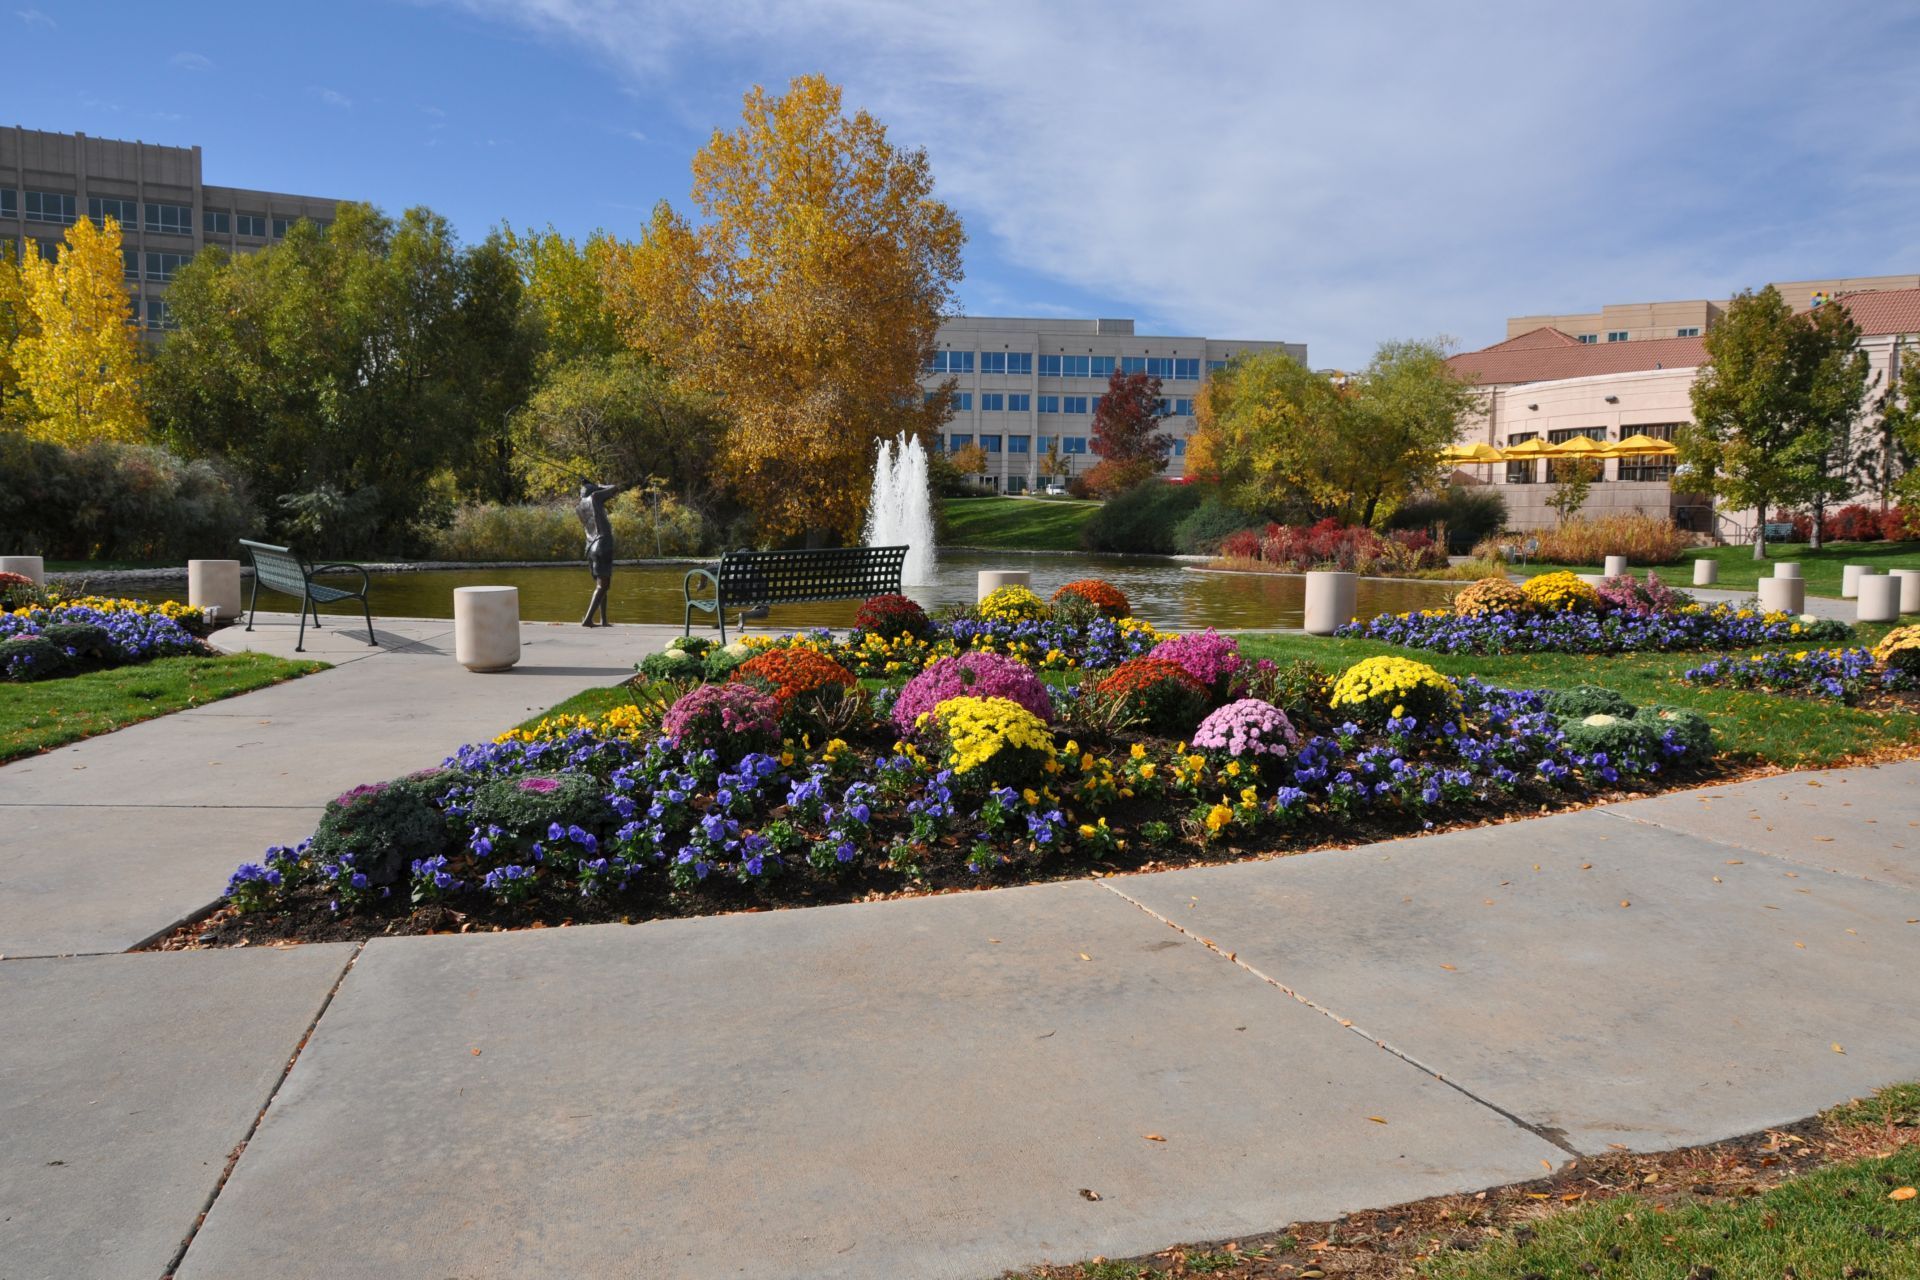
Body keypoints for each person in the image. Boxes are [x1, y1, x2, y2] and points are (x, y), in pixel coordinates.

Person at [576, 480, 626, 627]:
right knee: (602, 586)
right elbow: (615, 487)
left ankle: (603, 620)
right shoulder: (595, 498)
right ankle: (588, 619)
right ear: (594, 492)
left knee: (602, 585)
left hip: (590, 547)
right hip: (602, 544)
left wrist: (592, 486)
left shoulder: (579, 507)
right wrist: (599, 485)